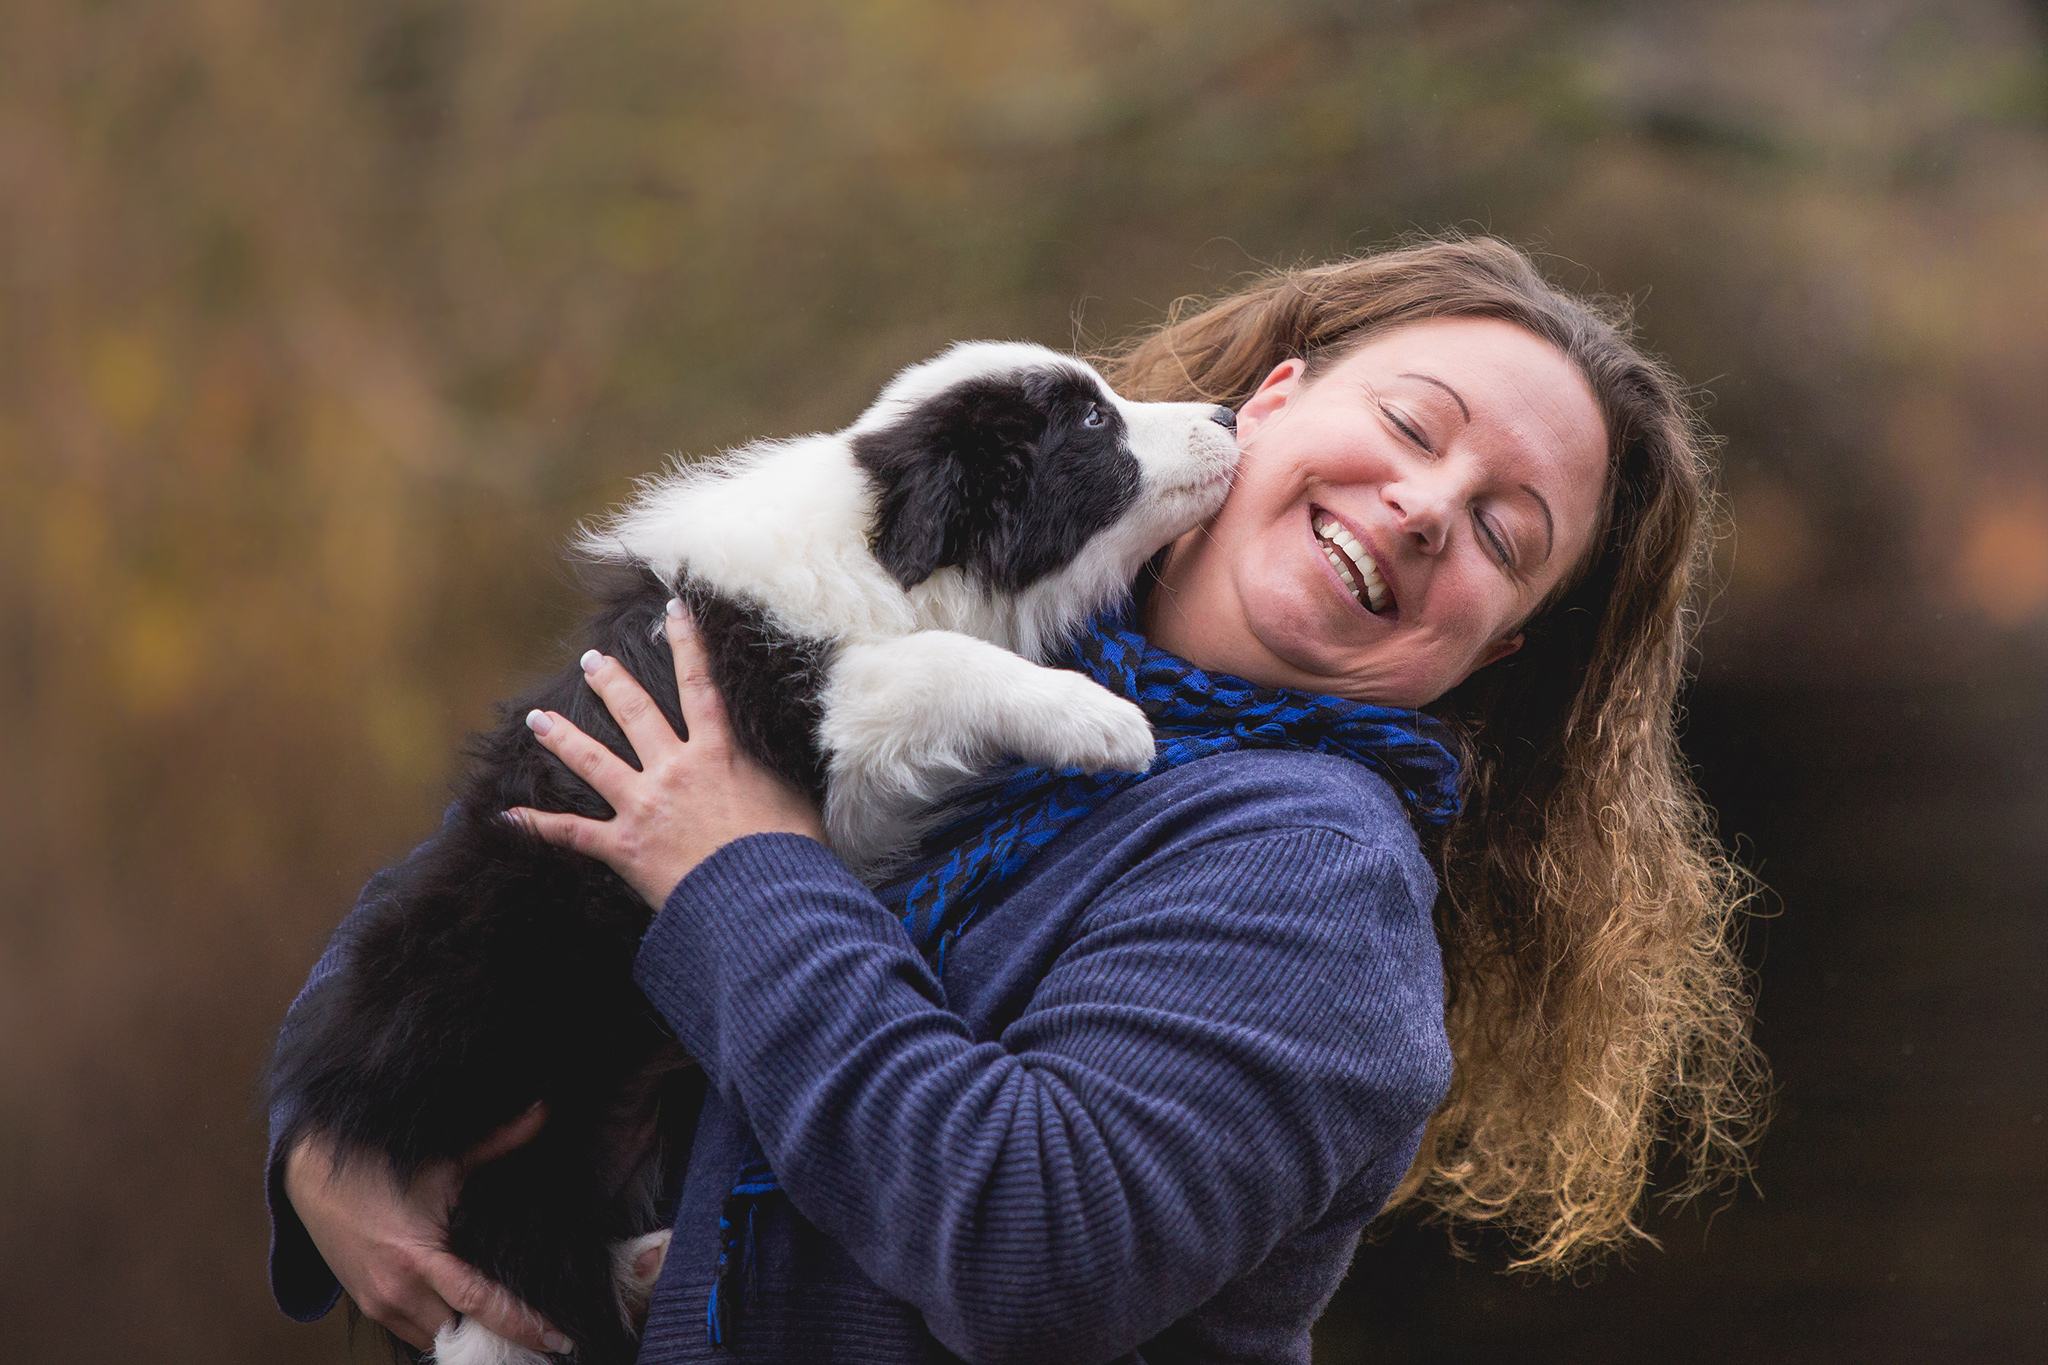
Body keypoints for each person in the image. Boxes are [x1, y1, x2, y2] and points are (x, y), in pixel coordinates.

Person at [270, 236, 1765, 1362]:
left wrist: (742, 875)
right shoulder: (965, 607)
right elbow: (528, 840)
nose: (1428, 508)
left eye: (1504, 532)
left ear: (1489, 651)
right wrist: (326, 1139)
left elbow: (1033, 1246)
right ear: (1279, 400)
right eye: (1417, 426)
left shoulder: (1313, 878)